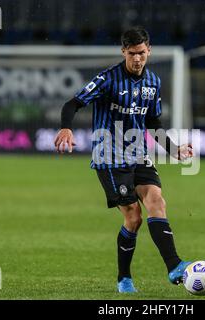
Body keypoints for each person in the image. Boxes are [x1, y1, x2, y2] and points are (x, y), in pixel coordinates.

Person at [54, 26, 193, 293]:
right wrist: (66, 127)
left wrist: (173, 150)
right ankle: (124, 278)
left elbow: (153, 122)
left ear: (149, 50)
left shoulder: (153, 82)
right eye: (132, 54)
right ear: (123, 52)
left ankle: (174, 265)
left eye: (141, 53)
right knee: (134, 217)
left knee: (157, 201)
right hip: (109, 158)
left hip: (138, 155)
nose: (137, 58)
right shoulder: (107, 79)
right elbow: (72, 104)